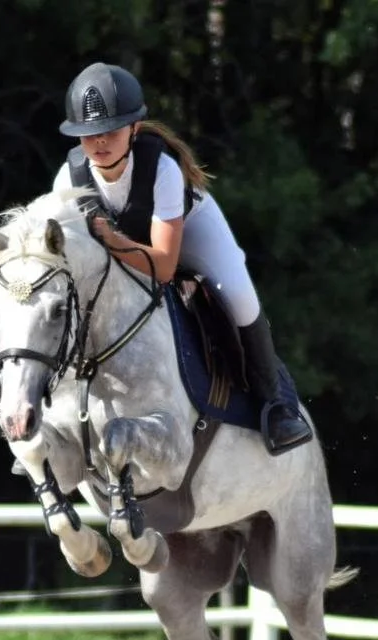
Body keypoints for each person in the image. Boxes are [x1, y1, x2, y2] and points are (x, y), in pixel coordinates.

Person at [52, 61, 313, 455]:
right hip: (127, 244)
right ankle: (50, 410)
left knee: (238, 297)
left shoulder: (163, 170)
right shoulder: (67, 182)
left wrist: (111, 240)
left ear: (134, 129)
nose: (99, 142)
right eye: (88, 135)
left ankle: (276, 406)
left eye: (110, 131)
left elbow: (163, 267)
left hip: (187, 231)